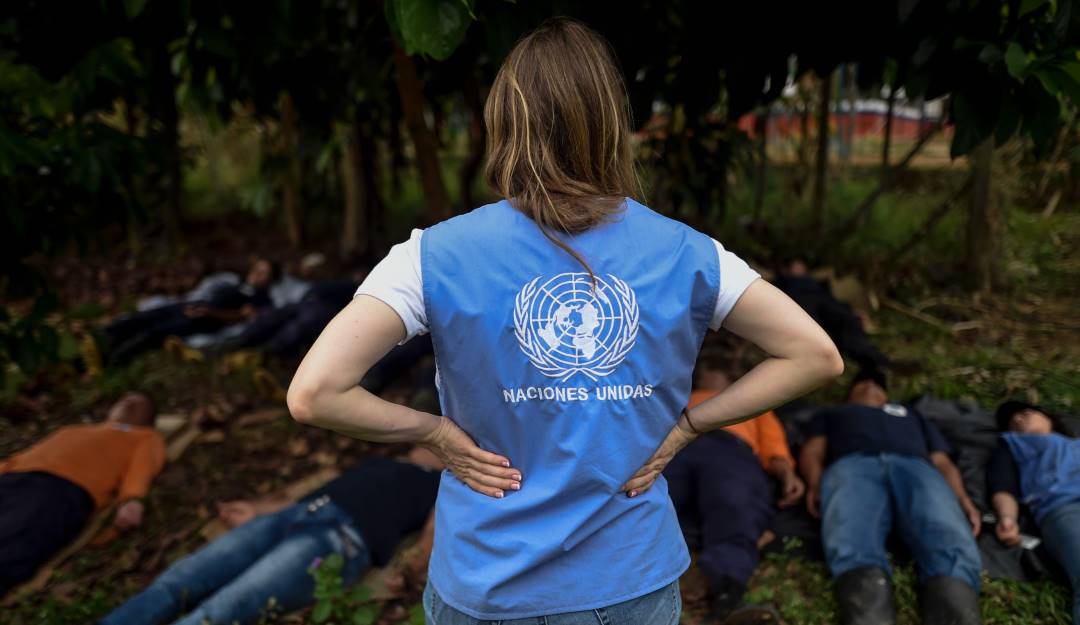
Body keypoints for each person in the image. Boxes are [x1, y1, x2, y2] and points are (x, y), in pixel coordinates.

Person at [287, 18, 842, 625]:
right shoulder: (688, 253)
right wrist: (689, 426)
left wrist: (436, 435)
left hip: (487, 585)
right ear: (610, 122)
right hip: (633, 582)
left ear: (505, 122)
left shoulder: (433, 256)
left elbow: (316, 393)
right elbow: (815, 355)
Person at [100, 447, 442, 625]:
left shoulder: (444, 485)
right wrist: (259, 510)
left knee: (224, 607)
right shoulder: (381, 463)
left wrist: (410, 568)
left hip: (339, 540)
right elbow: (311, 494)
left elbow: (433, 531)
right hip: (294, 515)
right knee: (178, 580)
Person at [799, 368, 982, 625]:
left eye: (877, 383)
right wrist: (815, 484)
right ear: (849, 394)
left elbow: (942, 461)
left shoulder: (912, 415)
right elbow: (812, 451)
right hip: (852, 464)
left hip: (916, 467)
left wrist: (961, 499)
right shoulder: (834, 413)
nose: (869, 385)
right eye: (861, 383)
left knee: (946, 532)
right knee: (849, 531)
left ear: (886, 395)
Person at [665, 363, 804, 625]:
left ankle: (726, 600)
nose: (711, 374)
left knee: (734, 505)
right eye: (706, 369)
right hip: (676, 447)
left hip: (730, 449)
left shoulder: (753, 403)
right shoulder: (678, 396)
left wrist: (788, 475)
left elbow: (773, 448)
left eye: (718, 370)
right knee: (655, 504)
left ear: (732, 378)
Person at [0, 392, 163, 595]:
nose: (129, 402)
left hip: (62, 488)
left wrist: (132, 499)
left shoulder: (144, 437)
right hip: (14, 477)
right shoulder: (71, 430)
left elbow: (142, 466)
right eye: (124, 399)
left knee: (14, 538)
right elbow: (25, 455)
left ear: (150, 419)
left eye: (139, 403)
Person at [987, 400, 1080, 624]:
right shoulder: (1012, 444)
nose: (1019, 419)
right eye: (1013, 421)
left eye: (1025, 413)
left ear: (1049, 418)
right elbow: (1003, 487)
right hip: (1064, 508)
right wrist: (1008, 519)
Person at [104, 258, 281, 364]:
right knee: (144, 317)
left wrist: (210, 312)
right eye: (257, 268)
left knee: (154, 332)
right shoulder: (236, 282)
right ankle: (101, 339)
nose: (257, 274)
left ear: (271, 280)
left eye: (263, 272)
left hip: (207, 318)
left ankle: (112, 360)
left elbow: (242, 316)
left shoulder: (261, 300)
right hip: (192, 304)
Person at [773, 258, 892, 371]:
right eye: (797, 266)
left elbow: (833, 300)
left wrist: (852, 312)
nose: (801, 269)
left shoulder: (816, 283)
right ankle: (811, 356)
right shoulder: (783, 281)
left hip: (823, 302)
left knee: (850, 321)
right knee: (810, 322)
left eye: (802, 266)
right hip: (800, 303)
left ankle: (878, 362)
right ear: (787, 269)